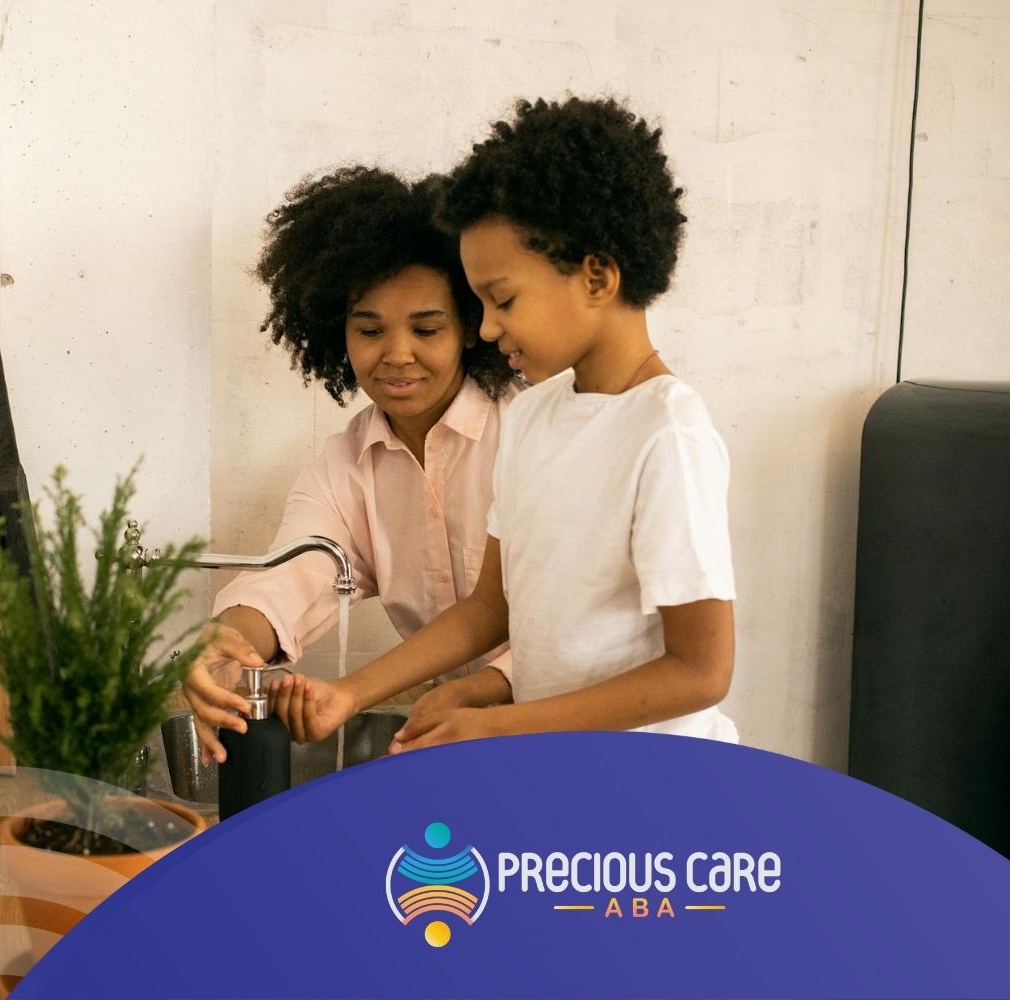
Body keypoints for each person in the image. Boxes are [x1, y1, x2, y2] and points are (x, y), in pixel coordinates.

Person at [271, 97, 738, 749]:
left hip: (653, 782)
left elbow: (701, 672)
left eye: (503, 299)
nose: (487, 329)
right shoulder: (535, 414)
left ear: (597, 277)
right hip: (554, 770)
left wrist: (497, 722)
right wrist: (350, 693)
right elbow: (489, 610)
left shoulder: (667, 434)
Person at [183, 165, 520, 764]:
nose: (397, 354)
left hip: (583, 729)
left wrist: (486, 686)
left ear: (471, 328)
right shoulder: (347, 466)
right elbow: (294, 574)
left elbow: (588, 617)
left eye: (426, 329)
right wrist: (226, 639)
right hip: (460, 741)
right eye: (369, 330)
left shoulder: (527, 431)